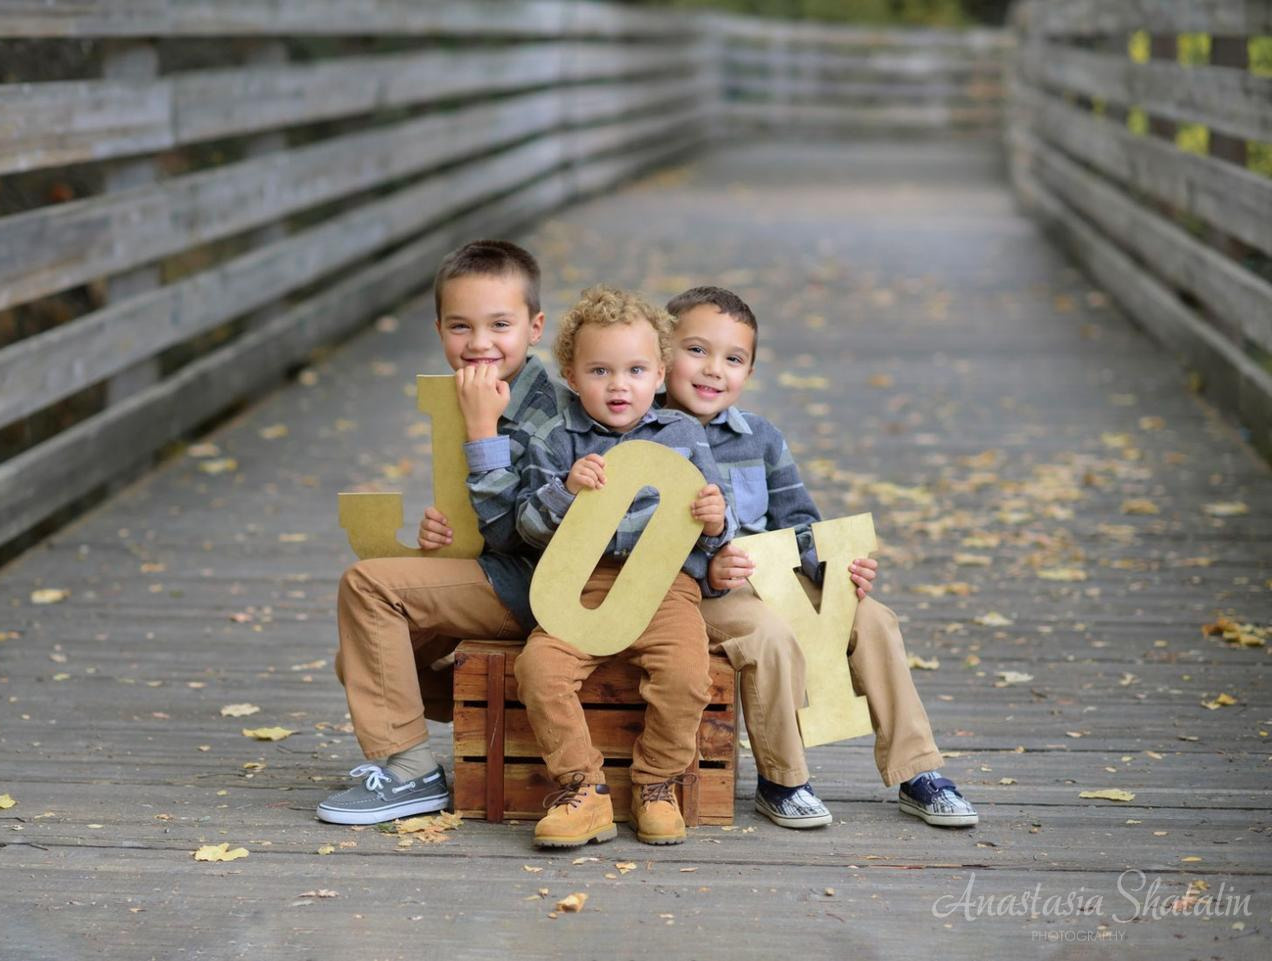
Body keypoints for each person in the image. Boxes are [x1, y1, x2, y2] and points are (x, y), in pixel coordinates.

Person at [661, 285, 978, 829]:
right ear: (662, 350)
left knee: (873, 618)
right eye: (696, 350)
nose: (714, 370)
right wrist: (704, 568)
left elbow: (800, 522)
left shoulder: (760, 437)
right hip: (702, 587)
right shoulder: (646, 433)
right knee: (767, 634)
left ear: (749, 372)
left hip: (774, 575)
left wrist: (835, 569)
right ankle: (782, 779)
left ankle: (916, 769)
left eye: (733, 359)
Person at [316, 240, 567, 825]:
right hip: (501, 570)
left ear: (534, 328)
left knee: (368, 587)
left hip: (543, 583)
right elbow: (484, 512)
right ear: (438, 330)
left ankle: (410, 771)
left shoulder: (551, 411)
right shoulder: (478, 392)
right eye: (461, 326)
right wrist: (447, 534)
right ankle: (432, 741)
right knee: (364, 658)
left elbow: (531, 529)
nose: (479, 343)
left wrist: (482, 428)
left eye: (499, 324)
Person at [512, 285, 732, 848]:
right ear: (571, 373)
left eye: (635, 369)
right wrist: (564, 489)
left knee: (687, 675)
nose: (619, 385)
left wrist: (715, 521)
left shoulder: (682, 435)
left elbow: (716, 525)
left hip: (665, 586)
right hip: (579, 585)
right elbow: (528, 529)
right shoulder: (560, 440)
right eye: (600, 370)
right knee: (539, 669)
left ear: (660, 374)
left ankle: (656, 783)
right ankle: (583, 789)